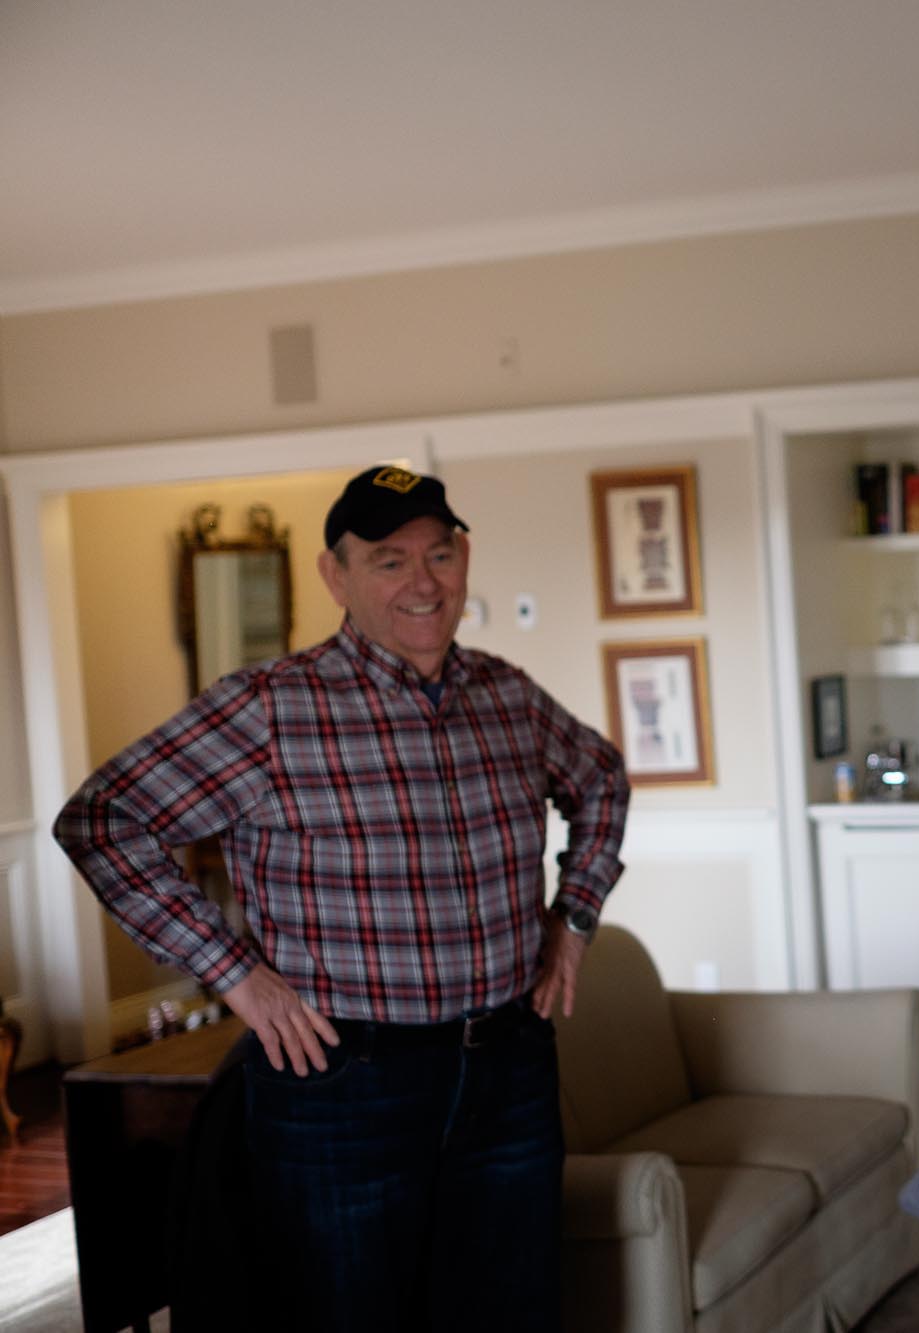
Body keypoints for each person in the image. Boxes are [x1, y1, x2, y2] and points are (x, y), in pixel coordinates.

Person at [55, 464, 631, 1333]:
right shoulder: (269, 709)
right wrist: (237, 975)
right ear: (337, 575)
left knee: (513, 1311)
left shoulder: (507, 696)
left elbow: (602, 778)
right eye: (389, 561)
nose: (423, 582)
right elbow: (102, 820)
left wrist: (576, 918)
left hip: (508, 1067)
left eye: (438, 554)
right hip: (342, 1084)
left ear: (464, 558)